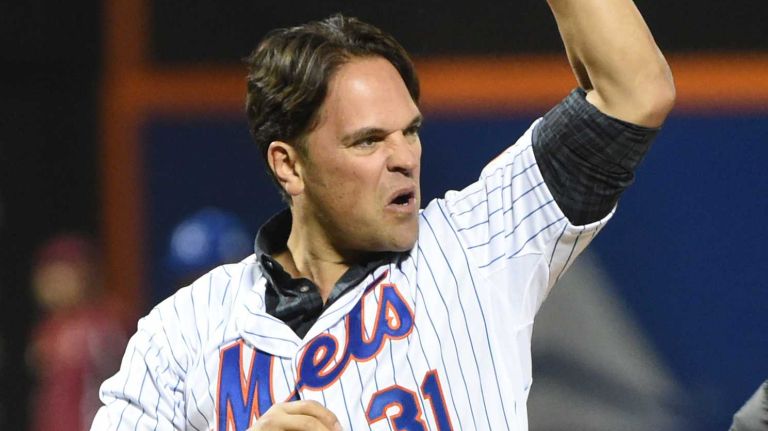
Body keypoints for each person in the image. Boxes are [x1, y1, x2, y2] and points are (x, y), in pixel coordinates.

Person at [91, 0, 675, 429]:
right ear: (288, 166)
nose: (404, 159)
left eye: (411, 131)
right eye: (368, 141)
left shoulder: (475, 246)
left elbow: (634, 91)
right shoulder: (182, 333)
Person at [28, 234, 127, 431]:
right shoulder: (49, 328)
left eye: (61, 275)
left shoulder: (106, 322)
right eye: (47, 275)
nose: (52, 284)